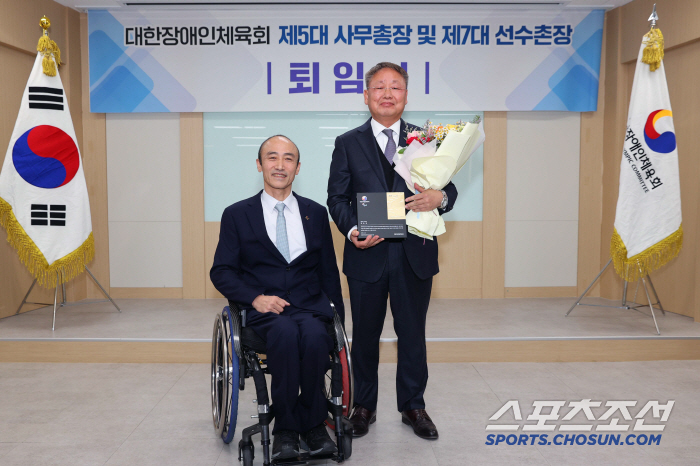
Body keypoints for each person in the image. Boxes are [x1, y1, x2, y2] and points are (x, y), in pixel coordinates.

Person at [327, 62, 458, 440]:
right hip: (366, 254)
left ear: (406, 95)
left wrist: (440, 196)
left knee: (413, 333)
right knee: (365, 334)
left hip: (414, 253)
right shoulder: (347, 142)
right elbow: (337, 198)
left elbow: (450, 190)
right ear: (366, 96)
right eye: (379, 87)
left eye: (395, 87)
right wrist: (352, 229)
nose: (388, 93)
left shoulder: (429, 137)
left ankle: (413, 406)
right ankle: (363, 406)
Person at [211, 135, 345, 459]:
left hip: (309, 306)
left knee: (315, 338)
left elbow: (329, 271)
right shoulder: (237, 214)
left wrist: (339, 322)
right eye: (272, 158)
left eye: (288, 159)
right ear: (259, 165)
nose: (279, 165)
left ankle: (313, 426)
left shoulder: (315, 212)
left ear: (298, 168)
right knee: (284, 334)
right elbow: (222, 271)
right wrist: (255, 297)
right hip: (263, 310)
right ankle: (285, 428)